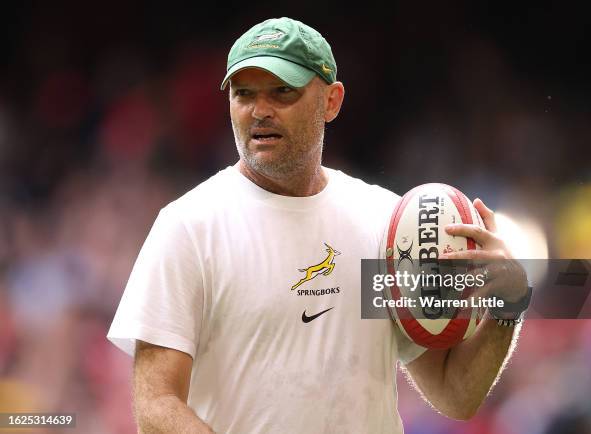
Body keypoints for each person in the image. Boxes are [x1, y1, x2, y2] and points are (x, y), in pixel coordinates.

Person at [107, 17, 530, 434]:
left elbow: (455, 395)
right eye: (243, 94)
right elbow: (157, 403)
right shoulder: (190, 227)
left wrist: (507, 308)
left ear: (331, 100)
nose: (260, 111)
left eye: (282, 91)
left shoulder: (382, 223)